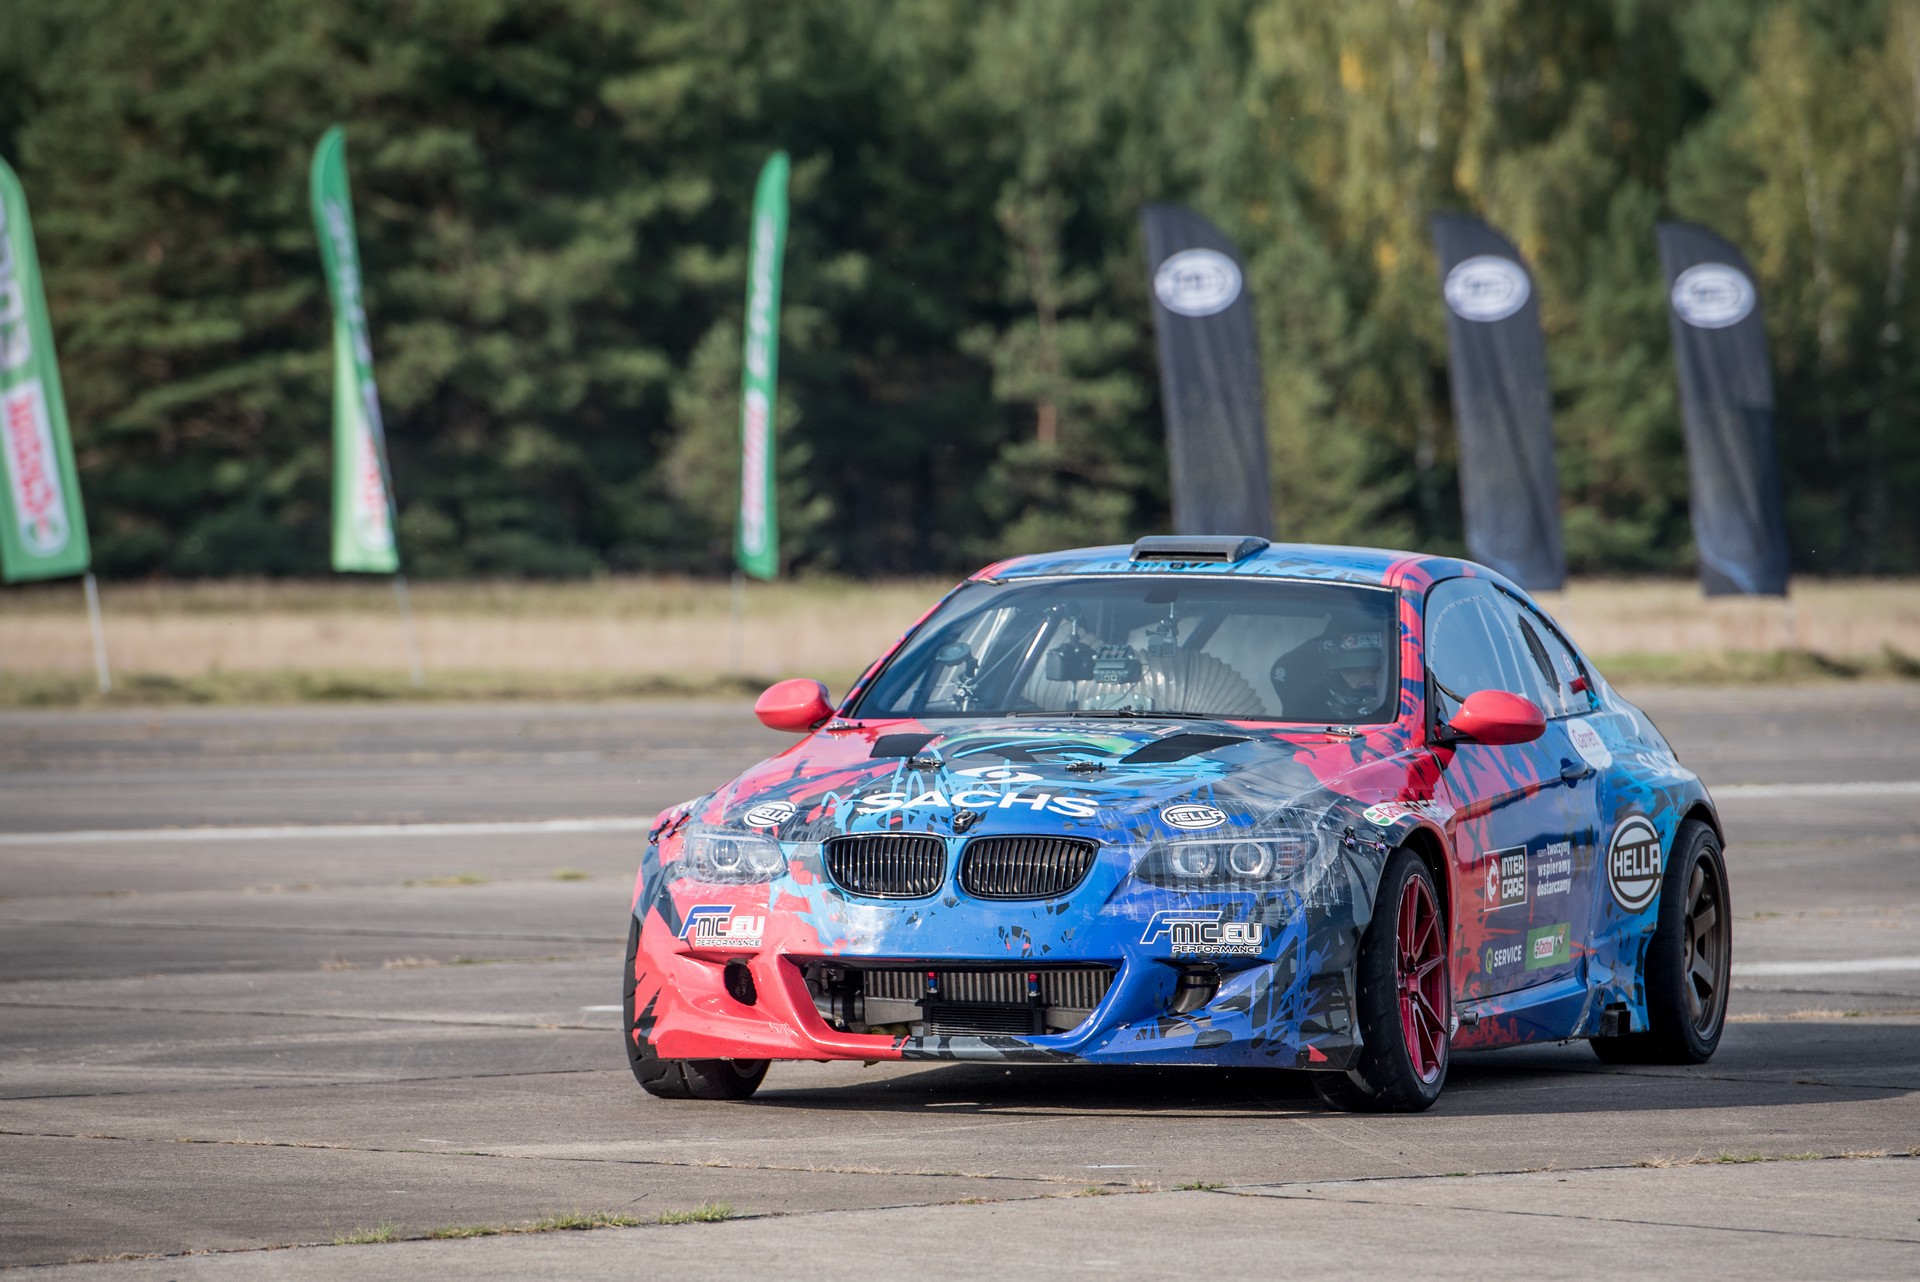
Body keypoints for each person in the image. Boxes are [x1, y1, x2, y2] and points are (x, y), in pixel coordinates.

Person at [1269, 614, 1392, 723]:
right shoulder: (1309, 719)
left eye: (1375, 670)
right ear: (1333, 673)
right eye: (1353, 671)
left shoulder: (1405, 716)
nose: (1368, 681)